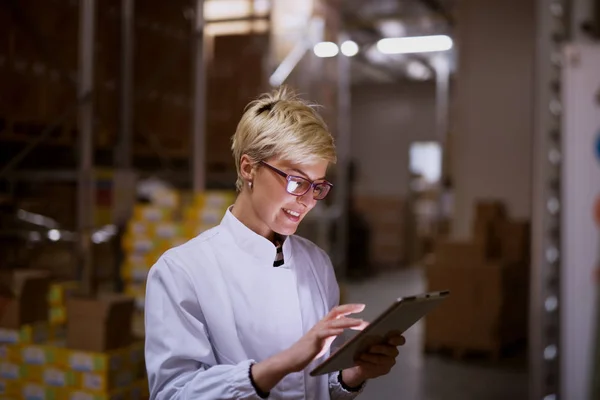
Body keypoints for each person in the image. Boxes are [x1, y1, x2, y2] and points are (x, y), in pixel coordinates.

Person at [144, 87, 405, 399]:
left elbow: (318, 387)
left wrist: (350, 375)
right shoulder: (181, 272)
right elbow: (172, 394)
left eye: (317, 186)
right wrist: (281, 364)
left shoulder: (316, 263)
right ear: (248, 168)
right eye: (296, 182)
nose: (308, 201)